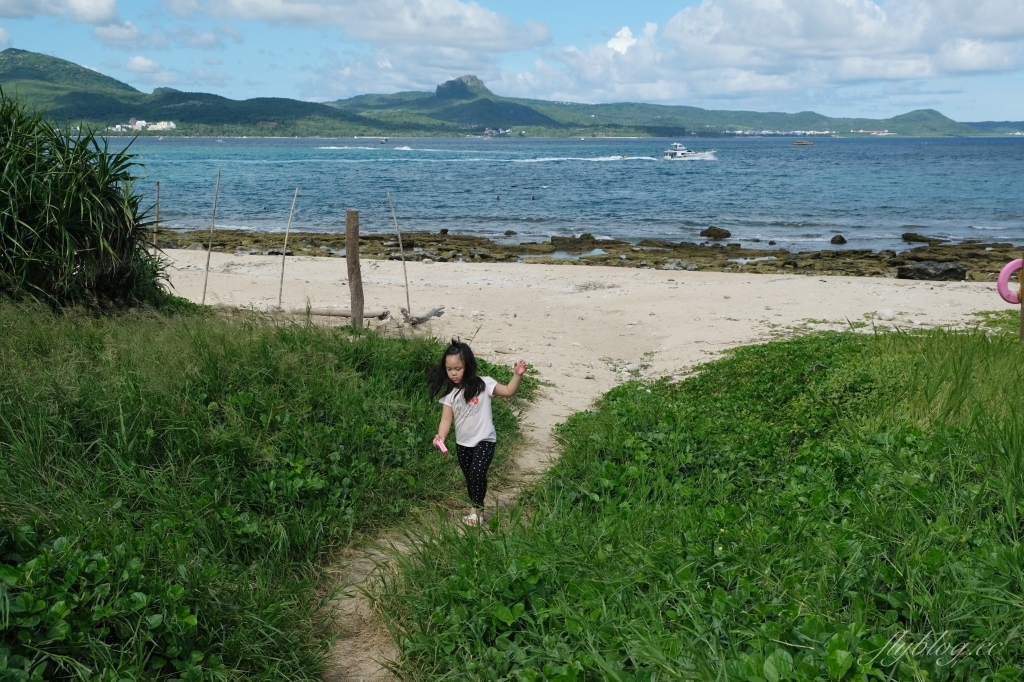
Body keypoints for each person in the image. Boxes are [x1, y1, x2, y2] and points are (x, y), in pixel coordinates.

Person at [429, 340, 527, 526]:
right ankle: (477, 509)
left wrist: (517, 375)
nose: (454, 373)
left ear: (468, 365)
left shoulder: (484, 384)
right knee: (471, 477)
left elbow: (508, 391)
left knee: (477, 472)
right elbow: (446, 419)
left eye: (458, 368)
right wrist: (441, 436)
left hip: (485, 439)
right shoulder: (450, 394)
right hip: (463, 443)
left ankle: (476, 511)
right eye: (449, 369)